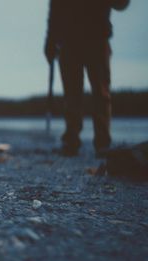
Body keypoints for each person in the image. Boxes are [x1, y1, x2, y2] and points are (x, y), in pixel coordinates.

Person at [44, 0, 130, 157]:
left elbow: (121, 4)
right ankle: (72, 140)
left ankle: (100, 142)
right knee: (73, 94)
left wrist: (51, 39)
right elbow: (55, 9)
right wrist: (50, 39)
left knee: (99, 93)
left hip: (96, 37)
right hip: (71, 40)